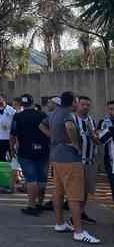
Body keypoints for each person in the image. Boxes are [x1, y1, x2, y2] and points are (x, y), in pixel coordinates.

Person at [42, 91, 100, 244]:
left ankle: (60, 223)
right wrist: (75, 144)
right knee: (75, 196)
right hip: (69, 159)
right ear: (74, 102)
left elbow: (42, 125)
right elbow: (70, 127)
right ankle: (79, 231)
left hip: (56, 158)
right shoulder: (68, 114)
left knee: (58, 192)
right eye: (78, 102)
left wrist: (54, 138)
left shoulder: (54, 113)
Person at [10, 94, 50, 216]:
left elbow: (13, 134)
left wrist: (11, 148)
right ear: (33, 103)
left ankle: (31, 206)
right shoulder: (43, 115)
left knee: (31, 179)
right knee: (42, 179)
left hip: (25, 152)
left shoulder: (17, 116)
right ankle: (40, 203)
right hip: (43, 151)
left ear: (22, 104)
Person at [73, 96, 98, 224]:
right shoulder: (71, 119)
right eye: (83, 104)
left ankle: (81, 213)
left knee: (86, 190)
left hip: (90, 160)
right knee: (77, 191)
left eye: (88, 105)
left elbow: (95, 139)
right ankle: (74, 218)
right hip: (76, 161)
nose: (86, 107)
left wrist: (95, 137)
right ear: (77, 104)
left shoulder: (91, 120)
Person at [97, 101, 114, 203]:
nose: (113, 111)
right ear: (108, 110)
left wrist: (109, 131)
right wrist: (110, 130)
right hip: (110, 160)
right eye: (111, 109)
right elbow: (100, 139)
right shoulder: (103, 122)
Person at [0, 95, 17, 162]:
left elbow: (15, 124)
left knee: (12, 157)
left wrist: (8, 126)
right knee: (1, 157)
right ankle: (4, 172)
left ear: (4, 99)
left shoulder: (12, 110)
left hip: (9, 138)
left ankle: (13, 171)